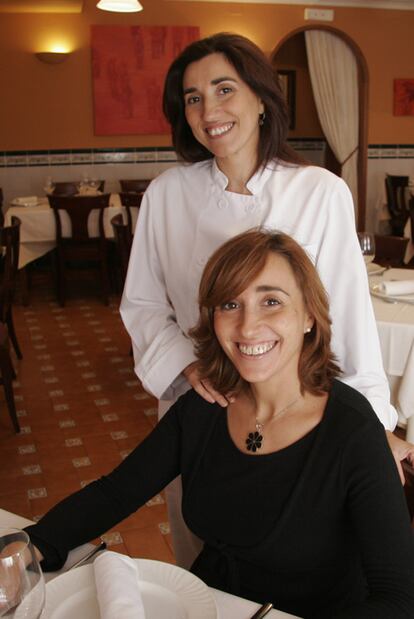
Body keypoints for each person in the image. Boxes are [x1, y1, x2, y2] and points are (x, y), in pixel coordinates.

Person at [120, 32, 414, 568]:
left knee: (301, 556)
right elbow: (141, 304)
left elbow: (348, 319)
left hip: (302, 410)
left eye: (224, 89)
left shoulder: (319, 191)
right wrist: (186, 367)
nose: (209, 109)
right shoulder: (166, 194)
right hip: (204, 404)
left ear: (261, 98)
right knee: (202, 555)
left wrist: (374, 430)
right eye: (192, 97)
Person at [26, 230, 414, 618]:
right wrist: (32, 545)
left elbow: (398, 598)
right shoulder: (205, 408)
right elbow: (115, 493)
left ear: (309, 316)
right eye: (230, 304)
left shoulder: (352, 431)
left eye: (271, 301)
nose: (247, 327)